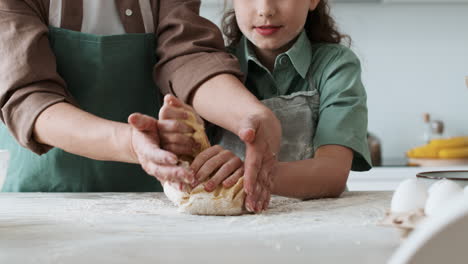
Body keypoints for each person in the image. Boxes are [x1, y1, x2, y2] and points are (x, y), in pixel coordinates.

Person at [0, 0, 281, 213]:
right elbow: (28, 94)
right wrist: (132, 144)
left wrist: (248, 113)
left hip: (156, 200)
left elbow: (188, 54)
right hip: (47, 202)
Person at [157, 0, 372, 211]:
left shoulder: (336, 66)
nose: (265, 9)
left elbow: (332, 173)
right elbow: (189, 164)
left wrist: (249, 174)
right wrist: (176, 142)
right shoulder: (209, 74)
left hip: (314, 223)